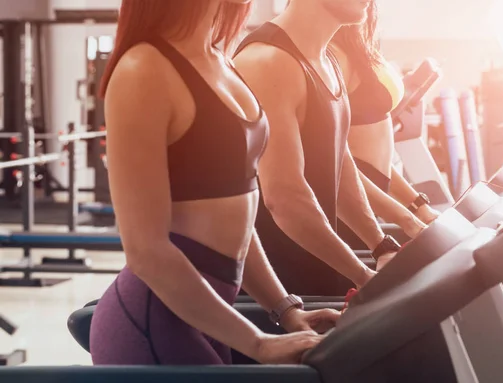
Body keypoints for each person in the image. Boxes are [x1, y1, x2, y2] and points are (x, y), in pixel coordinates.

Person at [89, 0, 339, 367]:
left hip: (208, 316)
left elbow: (238, 219)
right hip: (154, 321)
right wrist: (258, 343)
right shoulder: (143, 69)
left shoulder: (220, 60)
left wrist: (285, 310)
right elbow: (146, 251)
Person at [233, 0, 426, 296]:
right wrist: (362, 275)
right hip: (277, 292)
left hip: (315, 271)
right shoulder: (267, 62)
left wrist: (381, 245)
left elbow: (340, 164)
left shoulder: (326, 60)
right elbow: (285, 199)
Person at [330, 1, 441, 230]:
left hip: (372, 197)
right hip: (352, 213)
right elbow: (341, 167)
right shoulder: (330, 58)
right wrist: (407, 219)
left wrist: (419, 206)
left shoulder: (357, 46)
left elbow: (373, 163)